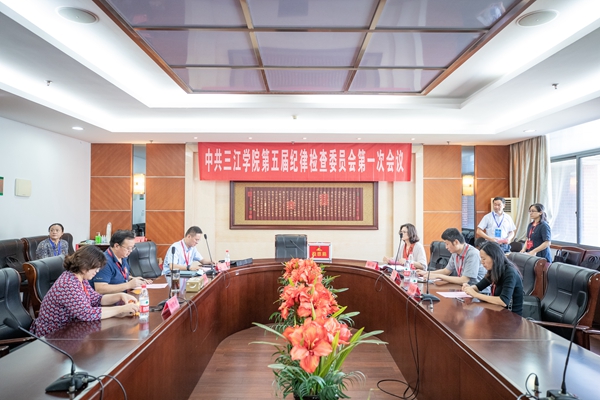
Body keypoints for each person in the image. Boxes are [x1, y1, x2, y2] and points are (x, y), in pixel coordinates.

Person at [31, 245, 139, 337]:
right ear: (85, 265)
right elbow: (87, 314)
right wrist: (121, 309)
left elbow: (96, 299)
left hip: (71, 328)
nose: (97, 271)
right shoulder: (68, 284)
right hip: (53, 334)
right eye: (95, 268)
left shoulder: (80, 278)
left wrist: (120, 296)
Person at [462, 242, 524, 315]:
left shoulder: (510, 273)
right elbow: (479, 287)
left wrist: (475, 294)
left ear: (494, 258)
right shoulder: (494, 270)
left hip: (511, 316)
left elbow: (503, 301)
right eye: (481, 259)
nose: (482, 262)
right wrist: (469, 288)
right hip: (498, 312)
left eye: (484, 259)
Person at [418, 228, 486, 287]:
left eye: (447, 244)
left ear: (456, 242)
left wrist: (438, 276)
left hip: (479, 292)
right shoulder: (455, 253)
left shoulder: (472, 254)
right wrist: (427, 273)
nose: (446, 247)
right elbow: (446, 271)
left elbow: (464, 280)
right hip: (464, 288)